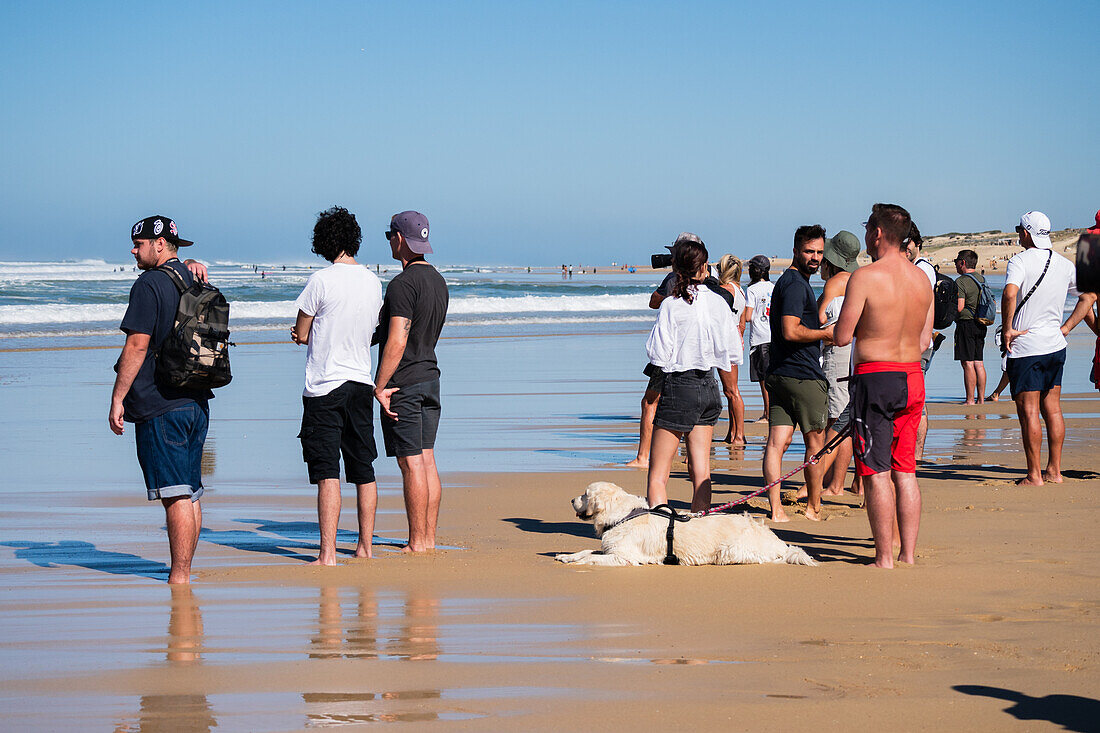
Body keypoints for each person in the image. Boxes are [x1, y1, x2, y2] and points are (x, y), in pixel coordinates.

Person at [109, 216, 213, 584]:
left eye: (138, 244)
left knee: (176, 495)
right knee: (191, 491)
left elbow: (136, 345)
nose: (132, 250)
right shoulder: (194, 277)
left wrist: (117, 397)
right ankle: (184, 570)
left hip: (160, 403)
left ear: (158, 244)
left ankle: (180, 577)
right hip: (196, 401)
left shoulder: (149, 284)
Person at [834, 203, 933, 569]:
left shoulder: (866, 277)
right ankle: (907, 554)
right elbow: (925, 340)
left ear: (877, 233)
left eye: (867, 229)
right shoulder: (923, 279)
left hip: (877, 377)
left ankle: (884, 558)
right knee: (905, 470)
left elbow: (843, 335)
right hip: (912, 376)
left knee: (876, 472)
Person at [291, 206, 383, 565]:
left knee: (327, 471)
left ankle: (327, 553)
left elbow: (302, 331)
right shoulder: (373, 281)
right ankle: (365, 547)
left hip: (325, 384)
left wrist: (301, 337)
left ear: (324, 241)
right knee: (364, 469)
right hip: (361, 380)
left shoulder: (322, 280)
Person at [373, 211, 449, 552]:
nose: (390, 239)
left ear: (400, 239)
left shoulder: (403, 284)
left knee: (411, 462)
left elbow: (398, 339)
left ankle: (418, 541)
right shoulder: (438, 281)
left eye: (390, 234)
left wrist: (379, 385)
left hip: (405, 381)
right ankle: (428, 538)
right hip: (430, 376)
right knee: (427, 459)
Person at [645, 236, 738, 512]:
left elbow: (658, 353)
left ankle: (660, 532)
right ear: (705, 267)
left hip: (680, 385)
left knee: (658, 474)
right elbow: (732, 350)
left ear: (676, 269)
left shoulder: (672, 305)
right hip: (709, 385)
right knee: (701, 470)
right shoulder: (719, 302)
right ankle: (700, 525)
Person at [1001, 211, 1092, 486]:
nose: (1018, 233)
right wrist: (1065, 328)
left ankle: (1034, 475)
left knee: (1028, 410)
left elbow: (1009, 293)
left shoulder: (1019, 260)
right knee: (1052, 408)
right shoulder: (1063, 264)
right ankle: (1054, 470)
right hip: (1055, 344)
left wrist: (1007, 328)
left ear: (1026, 233)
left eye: (1019, 229)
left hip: (1028, 345)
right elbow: (1088, 296)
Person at [763, 225, 833, 522]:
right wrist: (824, 334)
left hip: (780, 373)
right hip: (802, 375)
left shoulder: (793, 282)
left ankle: (777, 510)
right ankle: (814, 507)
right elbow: (790, 331)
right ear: (795, 250)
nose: (815, 258)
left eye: (819, 252)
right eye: (809, 252)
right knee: (815, 443)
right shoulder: (793, 284)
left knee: (777, 443)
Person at [818, 230, 859, 497]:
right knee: (847, 418)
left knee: (838, 419)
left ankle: (835, 484)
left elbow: (821, 318)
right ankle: (843, 481)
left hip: (837, 354)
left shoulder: (835, 283)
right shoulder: (858, 279)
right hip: (853, 352)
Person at [906, 223, 940, 460]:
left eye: (907, 243)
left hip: (919, 343)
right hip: (916, 342)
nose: (904, 248)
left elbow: (921, 306)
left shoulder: (923, 269)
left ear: (916, 243)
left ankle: (916, 454)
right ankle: (913, 453)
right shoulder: (916, 268)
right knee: (914, 399)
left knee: (917, 401)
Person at [716, 254, 747, 445]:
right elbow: (742, 323)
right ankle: (733, 432)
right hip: (734, 339)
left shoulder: (725, 291)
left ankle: (739, 435)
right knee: (731, 390)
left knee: (731, 391)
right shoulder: (740, 290)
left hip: (726, 342)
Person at [953, 249, 988, 404]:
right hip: (981, 323)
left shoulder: (960, 281)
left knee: (967, 362)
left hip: (966, 324)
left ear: (963, 263)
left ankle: (970, 399)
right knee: (978, 362)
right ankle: (980, 399)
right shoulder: (982, 279)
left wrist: (949, 315)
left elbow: (959, 307)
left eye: (957, 262)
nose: (956, 265)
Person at [743, 255, 774, 422]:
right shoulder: (773, 287)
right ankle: (770, 412)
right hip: (773, 337)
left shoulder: (752, 290)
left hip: (759, 338)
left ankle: (768, 413)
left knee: (763, 379)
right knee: (771, 377)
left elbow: (748, 316)